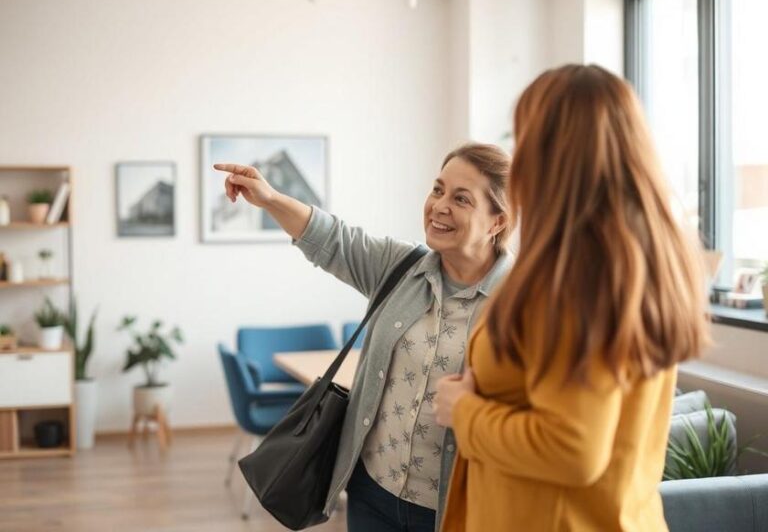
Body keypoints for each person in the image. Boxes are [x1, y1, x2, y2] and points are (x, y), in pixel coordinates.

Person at [434, 65, 710, 532]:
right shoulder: (634, 259)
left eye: (524, 141)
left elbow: (574, 449)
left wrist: (464, 412)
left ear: (552, 154)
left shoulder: (580, 275)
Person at [214, 143, 512, 532]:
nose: (439, 206)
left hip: (460, 510)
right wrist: (270, 199)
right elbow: (333, 238)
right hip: (373, 493)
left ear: (496, 222)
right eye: (437, 190)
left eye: (461, 198)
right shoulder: (401, 267)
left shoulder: (525, 303)